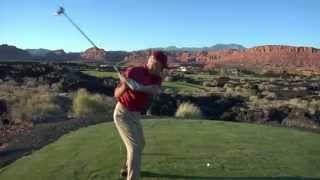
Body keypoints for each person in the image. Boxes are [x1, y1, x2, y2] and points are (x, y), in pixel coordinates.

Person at [113, 51, 168, 180]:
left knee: (141, 143)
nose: (161, 70)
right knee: (134, 147)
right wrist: (126, 85)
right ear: (153, 62)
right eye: (161, 67)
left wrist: (139, 87)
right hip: (123, 113)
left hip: (135, 114)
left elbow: (154, 90)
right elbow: (116, 94)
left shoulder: (156, 78)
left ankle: (126, 168)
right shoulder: (133, 71)